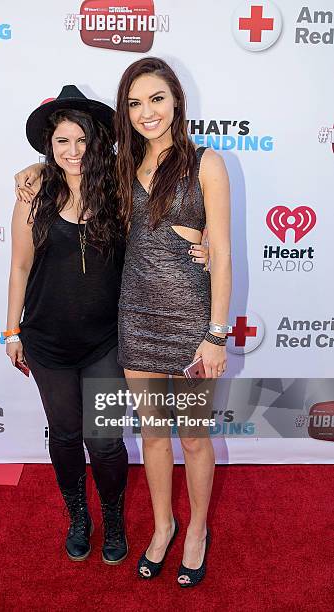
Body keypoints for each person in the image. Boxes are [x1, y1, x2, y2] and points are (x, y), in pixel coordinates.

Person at [114, 57, 231, 587]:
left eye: (156, 98)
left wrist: (215, 334)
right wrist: (29, 176)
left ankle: (198, 529)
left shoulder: (207, 163)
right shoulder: (119, 166)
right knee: (153, 435)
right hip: (135, 318)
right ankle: (163, 525)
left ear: (177, 101)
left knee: (194, 439)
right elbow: (67, 175)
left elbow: (224, 254)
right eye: (135, 103)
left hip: (190, 324)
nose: (147, 112)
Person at [5, 86, 130, 565]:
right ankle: (79, 517)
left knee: (104, 439)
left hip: (104, 341)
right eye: (61, 142)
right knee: (63, 436)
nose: (72, 151)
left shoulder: (118, 193)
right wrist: (12, 330)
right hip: (47, 340)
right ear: (49, 147)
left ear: (96, 141)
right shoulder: (33, 193)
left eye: (81, 140)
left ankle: (114, 518)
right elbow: (19, 267)